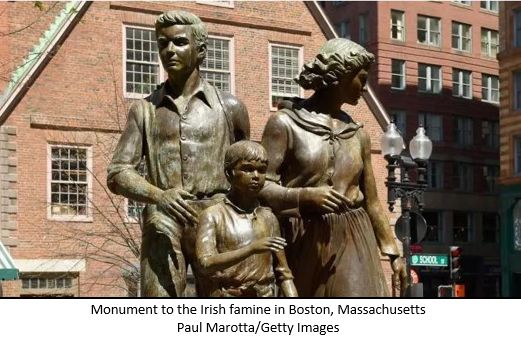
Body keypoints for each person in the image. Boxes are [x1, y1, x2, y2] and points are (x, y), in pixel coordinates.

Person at [107, 10, 249, 297]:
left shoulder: (230, 107)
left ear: (201, 51)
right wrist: (159, 196)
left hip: (218, 219)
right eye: (163, 43)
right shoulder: (144, 110)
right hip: (163, 220)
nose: (169, 50)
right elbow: (118, 173)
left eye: (180, 42)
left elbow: (250, 167)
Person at [259, 38, 407, 297]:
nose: (364, 88)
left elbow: (371, 201)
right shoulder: (284, 124)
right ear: (339, 76)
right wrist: (305, 196)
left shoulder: (358, 134)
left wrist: (393, 251)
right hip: (304, 237)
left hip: (353, 234)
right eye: (361, 78)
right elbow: (260, 187)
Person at [195, 141, 298, 297]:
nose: (256, 176)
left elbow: (284, 274)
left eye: (262, 171)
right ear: (229, 174)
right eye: (248, 169)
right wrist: (251, 249)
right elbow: (205, 263)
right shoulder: (212, 215)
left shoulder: (269, 218)